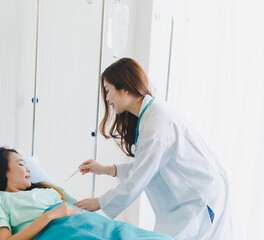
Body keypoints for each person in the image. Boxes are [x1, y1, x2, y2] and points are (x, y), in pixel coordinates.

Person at [74, 58, 233, 239]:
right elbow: (148, 164)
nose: (107, 98)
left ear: (124, 88)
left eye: (108, 90)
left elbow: (140, 177)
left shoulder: (156, 125)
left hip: (198, 199)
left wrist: (99, 202)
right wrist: (107, 170)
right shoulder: (150, 116)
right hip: (186, 200)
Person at [0, 147, 173, 240]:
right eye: (20, 164)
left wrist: (104, 170)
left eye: (27, 164)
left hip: (94, 225)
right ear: (3, 171)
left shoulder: (46, 188)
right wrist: (50, 215)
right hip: (57, 233)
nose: (28, 169)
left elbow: (79, 208)